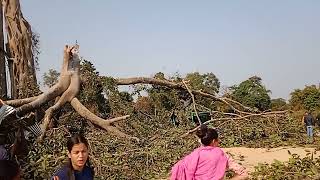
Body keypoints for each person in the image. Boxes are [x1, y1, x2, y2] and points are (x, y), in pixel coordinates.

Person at [170, 125, 248, 180]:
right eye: (218, 140)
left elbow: (177, 170)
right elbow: (244, 174)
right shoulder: (222, 155)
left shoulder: (194, 155)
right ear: (214, 141)